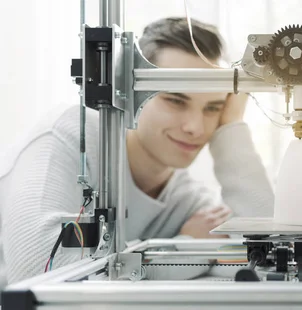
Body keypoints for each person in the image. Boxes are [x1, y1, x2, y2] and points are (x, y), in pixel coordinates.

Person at [0, 17, 274, 286]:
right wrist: (184, 248)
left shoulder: (189, 202)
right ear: (130, 95)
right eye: (176, 100)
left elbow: (270, 260)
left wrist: (232, 128)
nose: (196, 127)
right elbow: (36, 276)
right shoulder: (71, 138)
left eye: (213, 108)